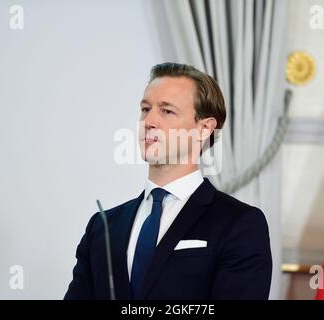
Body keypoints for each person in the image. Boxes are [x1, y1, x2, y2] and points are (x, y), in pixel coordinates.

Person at [64, 62, 272, 300]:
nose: (149, 121)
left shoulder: (240, 224)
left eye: (166, 111)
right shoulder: (103, 226)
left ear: (204, 128)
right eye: (145, 109)